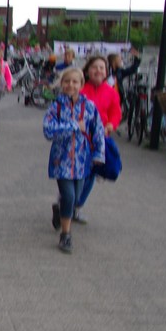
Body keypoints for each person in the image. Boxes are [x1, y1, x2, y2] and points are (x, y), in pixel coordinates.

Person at [43, 67, 105, 254]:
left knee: (75, 198)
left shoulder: (89, 107)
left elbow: (98, 131)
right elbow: (48, 130)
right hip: (61, 159)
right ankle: (66, 235)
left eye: (75, 82)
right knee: (69, 196)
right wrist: (74, 125)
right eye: (67, 81)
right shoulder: (56, 106)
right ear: (61, 84)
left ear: (81, 84)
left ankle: (60, 209)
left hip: (82, 160)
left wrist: (99, 154)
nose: (70, 85)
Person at [74, 55, 121, 223]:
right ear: (87, 71)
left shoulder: (111, 92)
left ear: (106, 72)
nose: (98, 70)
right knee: (79, 174)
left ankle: (76, 206)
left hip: (99, 141)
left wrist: (111, 125)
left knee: (90, 175)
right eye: (95, 67)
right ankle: (67, 201)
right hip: (80, 140)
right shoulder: (80, 90)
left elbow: (116, 112)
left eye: (102, 68)